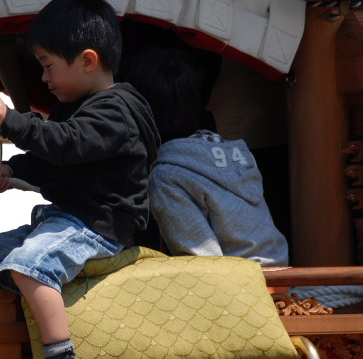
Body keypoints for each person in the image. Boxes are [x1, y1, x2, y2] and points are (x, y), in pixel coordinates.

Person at [0, 0, 160, 359]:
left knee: (29, 266)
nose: (43, 78)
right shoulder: (75, 109)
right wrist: (14, 171)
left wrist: (11, 120)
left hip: (96, 228)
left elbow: (65, 144)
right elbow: (52, 158)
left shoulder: (116, 112)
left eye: (48, 66)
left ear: (87, 61)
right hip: (62, 221)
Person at [119, 46, 289, 267]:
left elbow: (202, 262)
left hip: (245, 281)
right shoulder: (234, 153)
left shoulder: (166, 176)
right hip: (280, 269)